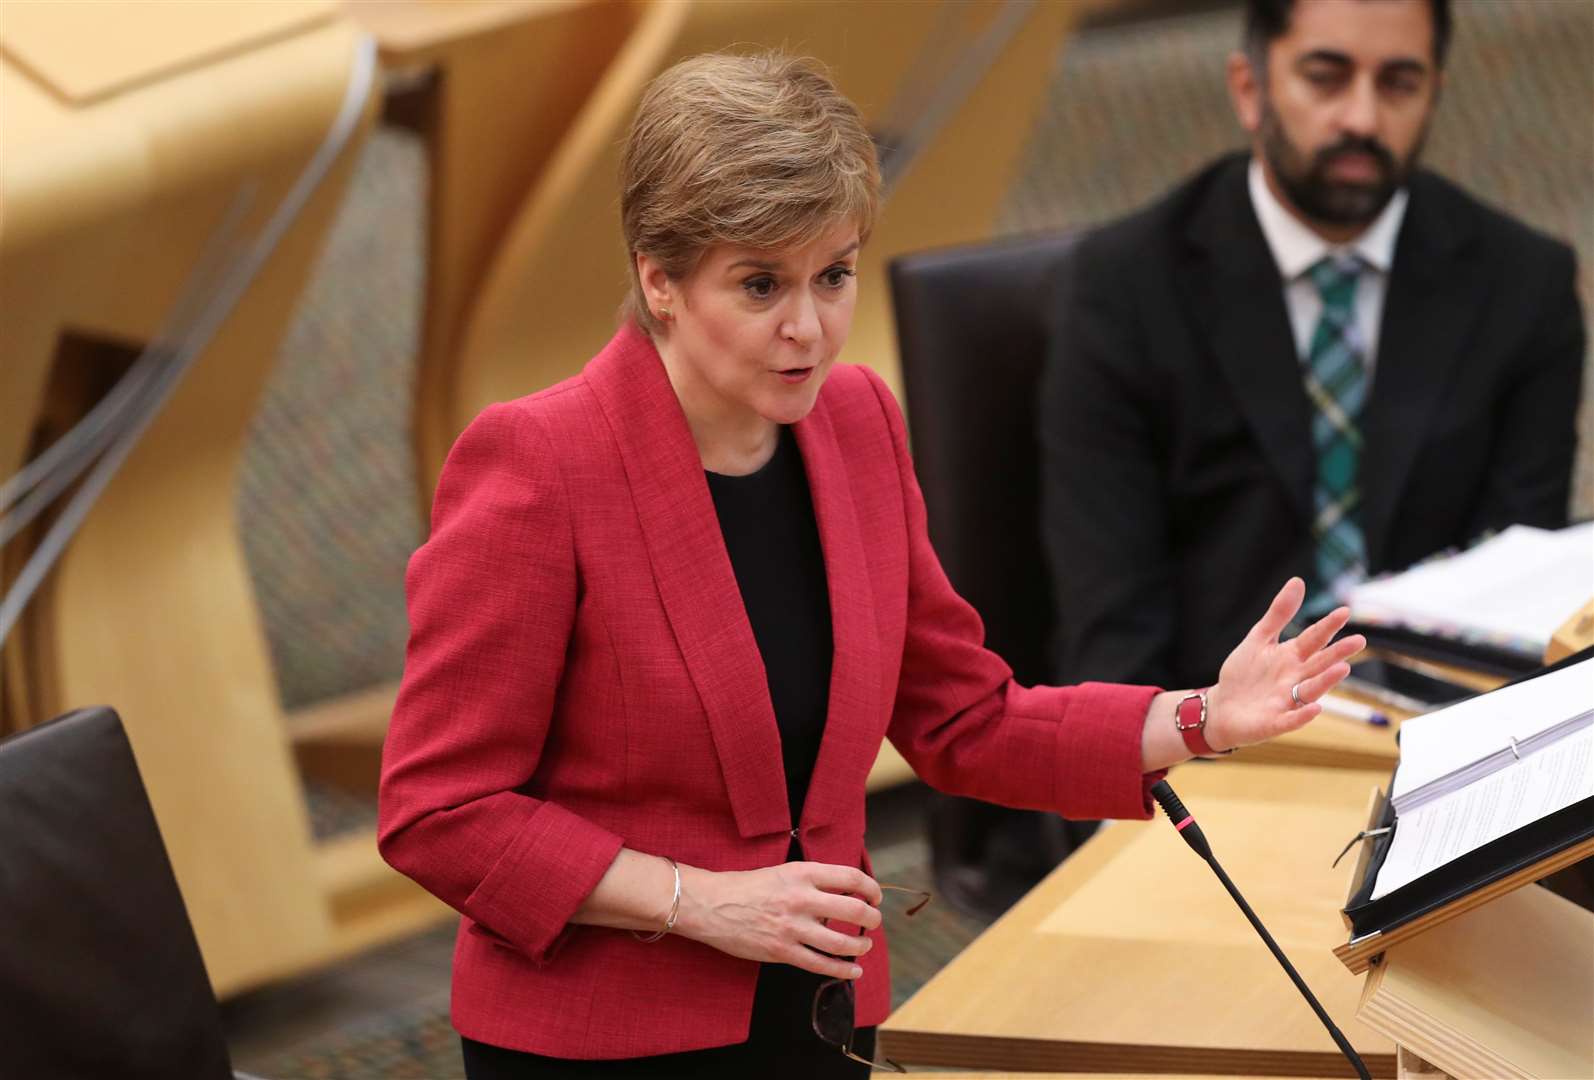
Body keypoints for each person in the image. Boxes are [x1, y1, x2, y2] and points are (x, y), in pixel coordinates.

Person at [377, 51, 1365, 1079]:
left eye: (833, 275)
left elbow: (962, 719)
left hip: (816, 1013)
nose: (808, 329)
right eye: (760, 284)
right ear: (658, 280)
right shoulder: (538, 465)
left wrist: (1198, 716)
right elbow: (438, 813)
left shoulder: (854, 425)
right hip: (604, 1043)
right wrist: (699, 901)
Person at [1041, 0, 1584, 693]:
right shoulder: (1122, 289)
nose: (1361, 118)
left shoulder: (1524, 285)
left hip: (1444, 726)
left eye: (1398, 84)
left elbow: (1519, 596)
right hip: (1204, 729)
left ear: (1435, 94)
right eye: (1326, 78)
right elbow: (1111, 627)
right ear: (1250, 89)